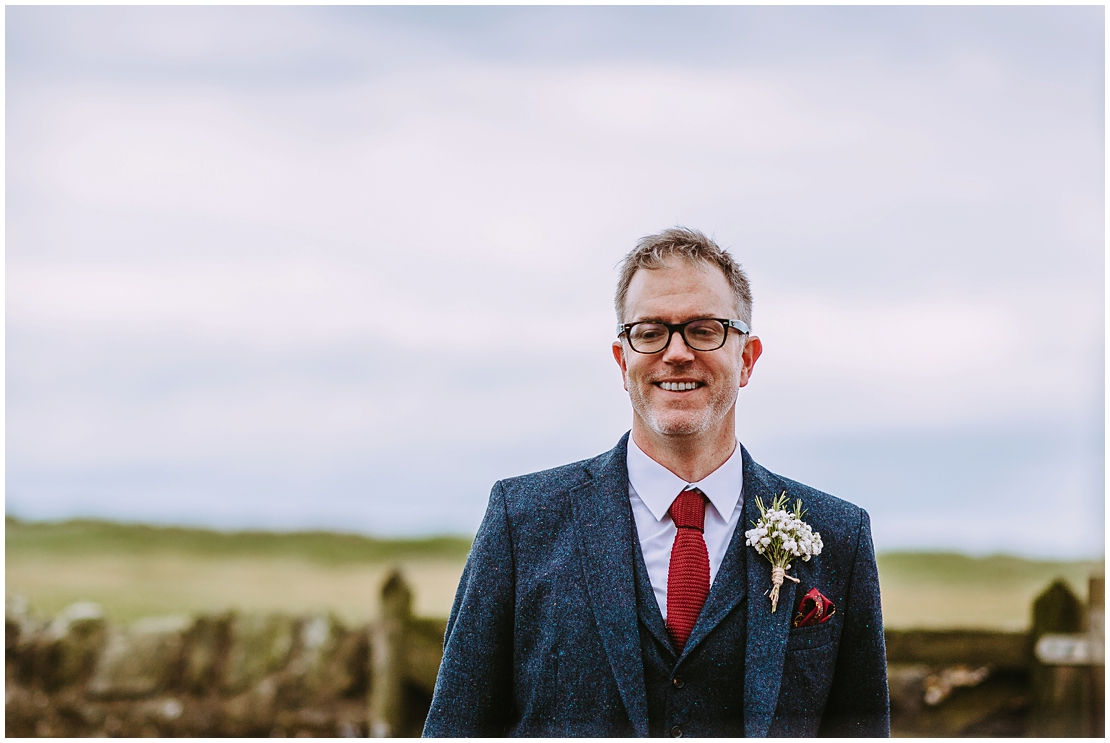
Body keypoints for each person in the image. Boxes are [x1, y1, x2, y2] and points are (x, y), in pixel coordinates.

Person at [423, 227, 889, 737]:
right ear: (623, 361)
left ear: (747, 359)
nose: (677, 353)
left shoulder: (839, 536)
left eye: (705, 329)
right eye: (650, 332)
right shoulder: (521, 520)